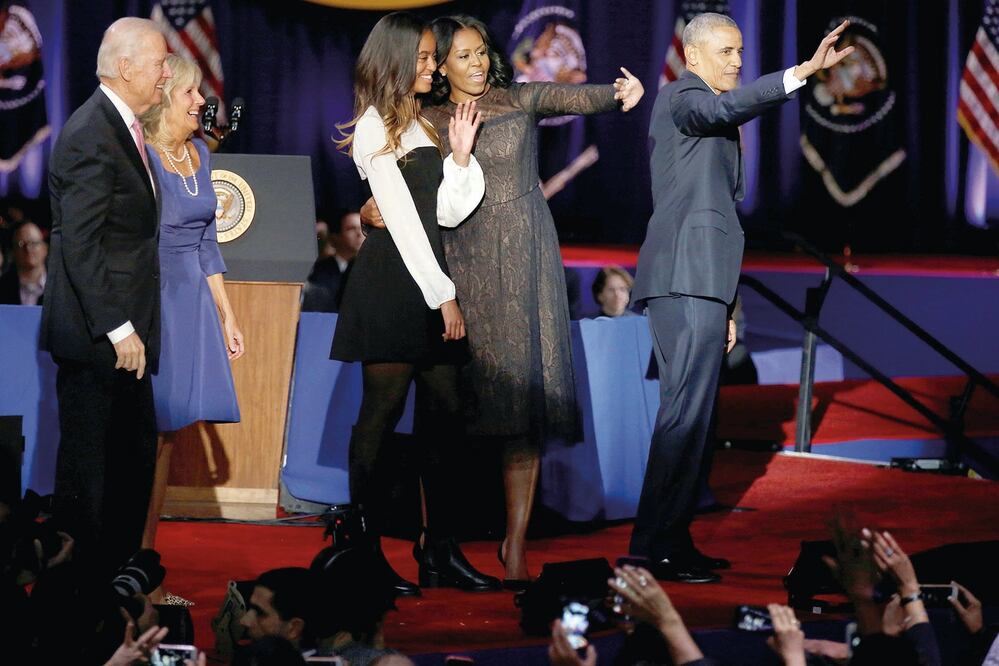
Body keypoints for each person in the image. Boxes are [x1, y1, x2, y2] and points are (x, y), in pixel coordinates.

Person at [361, 14, 643, 587]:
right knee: (451, 411)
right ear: (438, 64)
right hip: (456, 267)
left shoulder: (520, 99)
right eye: (462, 55)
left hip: (525, 266)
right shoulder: (422, 119)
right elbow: (397, 185)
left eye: (481, 52)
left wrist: (620, 94)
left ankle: (514, 544)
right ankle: (439, 540)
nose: (477, 63)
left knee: (522, 410)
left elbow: (577, 95)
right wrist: (368, 210)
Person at [629, 13, 853, 583]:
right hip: (683, 277)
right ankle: (650, 547)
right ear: (694, 55)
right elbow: (725, 109)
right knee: (683, 415)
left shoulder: (710, 107)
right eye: (726, 52)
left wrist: (728, 304)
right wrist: (801, 72)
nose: (736, 62)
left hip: (705, 281)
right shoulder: (684, 96)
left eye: (740, 52)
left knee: (697, 418)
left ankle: (672, 541)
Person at [330, 12, 498, 595]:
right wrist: (445, 297)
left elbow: (448, 213)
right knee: (379, 416)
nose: (433, 67)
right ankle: (363, 551)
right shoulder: (374, 127)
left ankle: (439, 550)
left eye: (432, 58)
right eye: (425, 58)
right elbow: (400, 222)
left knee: (445, 421)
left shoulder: (424, 125)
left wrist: (458, 156)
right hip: (395, 285)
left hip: (428, 279)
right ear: (397, 60)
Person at [39, 17, 171, 580]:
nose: (168, 72)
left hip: (125, 333)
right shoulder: (92, 133)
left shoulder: (121, 127)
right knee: (91, 471)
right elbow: (81, 245)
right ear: (126, 68)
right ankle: (79, 591)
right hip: (103, 337)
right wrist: (117, 328)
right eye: (161, 62)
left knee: (130, 462)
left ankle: (115, 584)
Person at [137, 54, 244, 592]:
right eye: (190, 94)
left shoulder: (200, 153)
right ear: (164, 99)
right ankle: (129, 560)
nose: (202, 101)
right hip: (152, 304)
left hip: (193, 304)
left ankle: (144, 559)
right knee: (146, 433)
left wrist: (227, 315)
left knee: (167, 437)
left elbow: (208, 243)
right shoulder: (143, 159)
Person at [301, 209, 364, 313]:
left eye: (362, 228)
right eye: (351, 229)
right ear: (336, 236)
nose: (359, 234)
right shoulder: (319, 270)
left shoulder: (368, 269)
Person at [0, 220, 47, 305]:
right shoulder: (2, 287)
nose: (28, 249)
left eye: (33, 243)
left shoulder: (60, 288)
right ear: (13, 251)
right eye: (21, 244)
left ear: (44, 249)